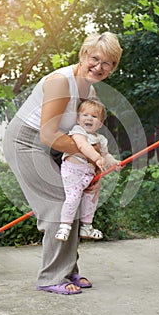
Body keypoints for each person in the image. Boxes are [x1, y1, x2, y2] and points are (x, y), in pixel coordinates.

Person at [3, 31, 123, 295]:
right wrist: (93, 157)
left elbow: (81, 133)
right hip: (27, 142)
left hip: (57, 145)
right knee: (60, 202)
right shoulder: (60, 81)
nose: (99, 67)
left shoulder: (89, 89)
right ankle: (50, 277)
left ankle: (68, 271)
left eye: (108, 64)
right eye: (95, 59)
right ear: (82, 54)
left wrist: (95, 160)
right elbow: (48, 134)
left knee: (75, 199)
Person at [55, 98, 120, 242]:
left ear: (100, 123)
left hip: (89, 174)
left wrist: (114, 163)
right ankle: (64, 226)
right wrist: (97, 158)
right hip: (73, 171)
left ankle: (86, 226)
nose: (89, 118)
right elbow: (83, 146)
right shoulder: (77, 131)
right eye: (85, 115)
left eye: (94, 116)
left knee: (91, 199)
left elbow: (106, 155)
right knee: (73, 197)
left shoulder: (101, 139)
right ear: (78, 119)